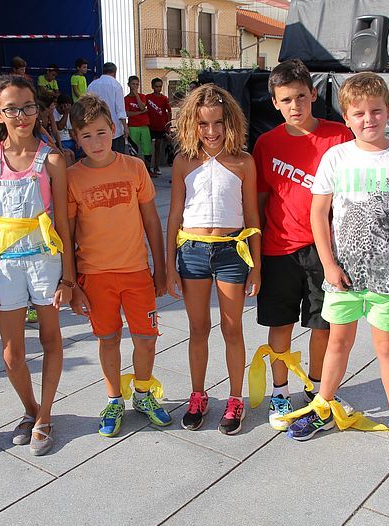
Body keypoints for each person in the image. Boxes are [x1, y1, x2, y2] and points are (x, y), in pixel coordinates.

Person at [280, 73, 389, 464]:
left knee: (387, 347)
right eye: (359, 113)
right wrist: (328, 264)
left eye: (376, 111)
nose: (369, 119)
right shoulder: (336, 157)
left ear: (388, 111)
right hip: (344, 275)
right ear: (347, 118)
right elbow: (318, 213)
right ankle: (323, 407)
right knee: (338, 342)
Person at [249, 59, 353, 430]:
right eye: (286, 100)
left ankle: (316, 390)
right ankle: (280, 392)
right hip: (278, 250)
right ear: (274, 103)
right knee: (281, 324)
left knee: (322, 324)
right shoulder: (266, 143)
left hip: (324, 251)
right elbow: (260, 201)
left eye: (301, 97)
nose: (295, 106)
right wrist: (256, 257)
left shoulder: (340, 137)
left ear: (313, 94)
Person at [0, 75, 74, 456]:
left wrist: (69, 277)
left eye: (29, 106)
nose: (22, 116)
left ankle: (44, 416)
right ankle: (30, 408)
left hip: (46, 260)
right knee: (11, 353)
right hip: (4, 265)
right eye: (12, 109)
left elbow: (63, 222)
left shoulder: (53, 160)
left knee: (51, 339)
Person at [67, 94, 171, 436]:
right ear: (75, 137)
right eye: (86, 136)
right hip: (95, 276)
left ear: (113, 128)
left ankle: (142, 393)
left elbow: (152, 221)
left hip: (136, 272)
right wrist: (72, 283)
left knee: (146, 339)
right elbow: (66, 233)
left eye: (101, 132)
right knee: (108, 339)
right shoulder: (71, 177)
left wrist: (160, 269)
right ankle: (114, 398)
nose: (95, 142)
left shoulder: (134, 167)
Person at [165, 85, 261, 435]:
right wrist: (169, 266)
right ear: (191, 125)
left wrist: (257, 267)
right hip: (192, 253)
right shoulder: (183, 162)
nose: (211, 131)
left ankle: (235, 398)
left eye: (218, 122)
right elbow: (174, 216)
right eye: (203, 123)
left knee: (232, 328)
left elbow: (252, 215)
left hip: (232, 252)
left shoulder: (243, 161)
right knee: (198, 328)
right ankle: (198, 395)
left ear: (229, 122)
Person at [86, 62, 127, 153]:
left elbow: (87, 106)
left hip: (95, 127)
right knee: (117, 156)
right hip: (114, 129)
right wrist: (125, 127)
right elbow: (120, 109)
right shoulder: (116, 85)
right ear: (114, 72)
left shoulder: (92, 85)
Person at [124, 75, 152, 171]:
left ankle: (148, 169)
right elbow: (127, 113)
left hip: (144, 126)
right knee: (133, 150)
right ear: (128, 84)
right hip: (133, 126)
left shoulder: (142, 96)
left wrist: (136, 95)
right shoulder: (126, 99)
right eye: (133, 84)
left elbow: (142, 107)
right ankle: (134, 170)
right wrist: (140, 112)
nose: (135, 86)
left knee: (147, 149)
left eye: (137, 84)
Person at [146, 77, 171, 175]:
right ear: (152, 87)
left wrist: (168, 124)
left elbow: (169, 111)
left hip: (160, 126)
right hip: (149, 125)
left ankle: (156, 167)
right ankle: (148, 167)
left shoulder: (164, 98)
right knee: (148, 147)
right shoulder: (148, 97)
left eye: (160, 86)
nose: (158, 88)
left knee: (158, 146)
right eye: (156, 86)